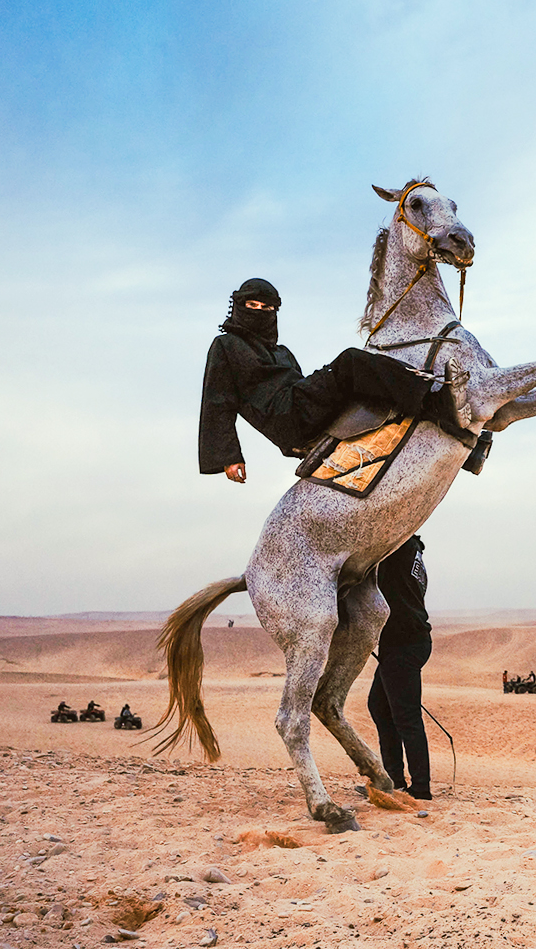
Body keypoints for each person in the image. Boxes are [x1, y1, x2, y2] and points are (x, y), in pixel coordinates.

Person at [199, 278, 471, 482]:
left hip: (299, 402)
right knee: (351, 362)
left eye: (266, 307)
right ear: (238, 307)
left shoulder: (281, 353)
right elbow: (217, 401)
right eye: (251, 306)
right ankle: (434, 400)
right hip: (285, 416)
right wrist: (229, 458)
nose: (259, 311)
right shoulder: (226, 346)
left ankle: (454, 440)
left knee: (368, 389)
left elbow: (305, 386)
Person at [367, 534, 433, 800]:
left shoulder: (399, 547)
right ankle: (393, 779)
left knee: (406, 717)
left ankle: (420, 788)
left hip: (404, 641)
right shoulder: (412, 549)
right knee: (380, 707)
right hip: (404, 641)